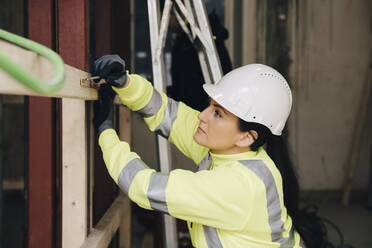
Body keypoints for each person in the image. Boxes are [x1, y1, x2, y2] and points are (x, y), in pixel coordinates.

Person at [92, 54, 305, 247]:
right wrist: (126, 82)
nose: (203, 115)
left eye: (218, 114)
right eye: (210, 106)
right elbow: (169, 114)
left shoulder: (238, 186)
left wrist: (105, 130)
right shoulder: (229, 150)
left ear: (247, 136)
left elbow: (142, 186)